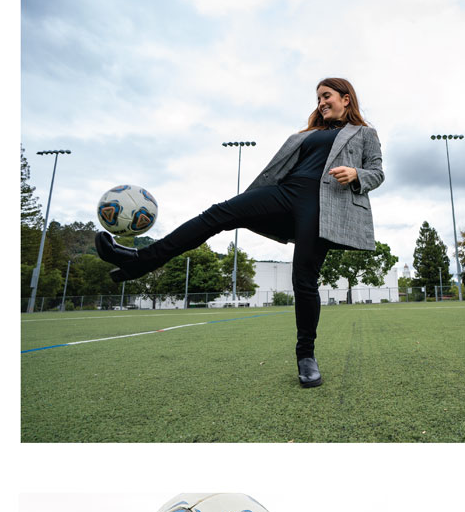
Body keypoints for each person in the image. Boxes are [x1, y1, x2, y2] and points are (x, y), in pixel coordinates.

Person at [95, 77, 384, 389]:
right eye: (318, 99)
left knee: (303, 279)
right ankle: (141, 260)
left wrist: (357, 174)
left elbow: (378, 173)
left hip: (323, 206)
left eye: (326, 96)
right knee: (218, 213)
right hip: (286, 192)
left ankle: (306, 356)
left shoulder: (365, 134)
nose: (321, 103)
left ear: (345, 98)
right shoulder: (309, 134)